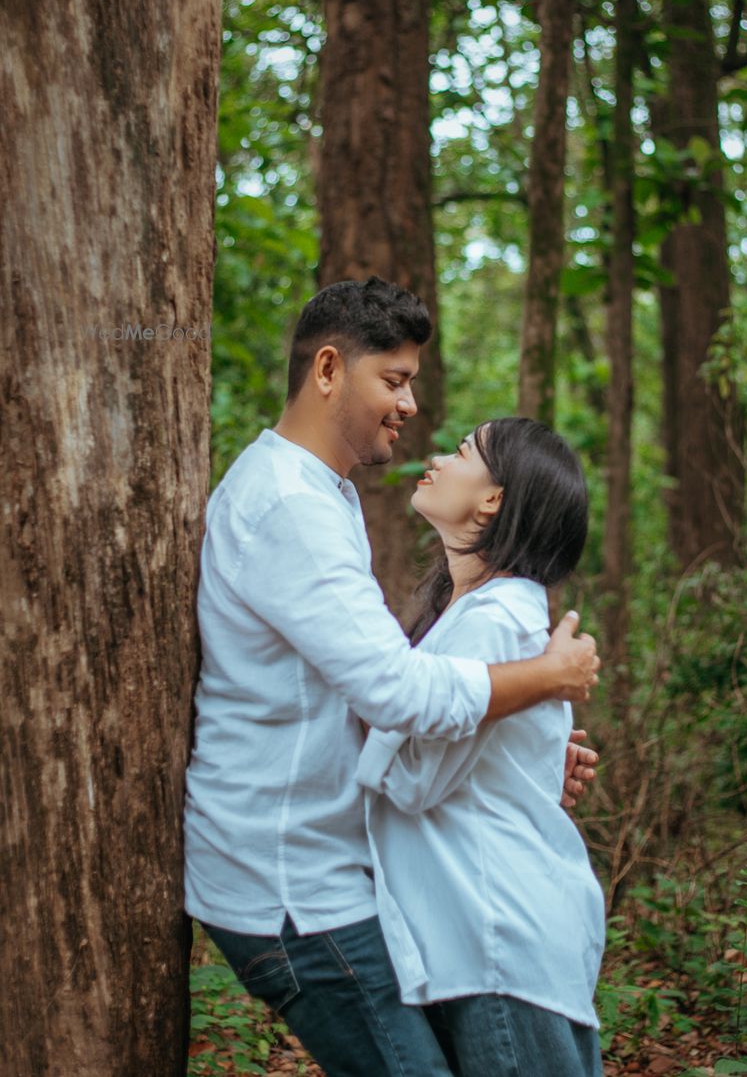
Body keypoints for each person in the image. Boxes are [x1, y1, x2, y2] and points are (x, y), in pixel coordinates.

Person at [184, 278, 600, 1077]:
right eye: (396, 380)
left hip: (332, 873)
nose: (410, 405)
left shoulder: (320, 495)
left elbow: (371, 697)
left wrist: (514, 745)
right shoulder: (288, 507)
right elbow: (397, 692)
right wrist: (542, 680)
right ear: (330, 369)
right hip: (292, 885)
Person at [357, 417, 606, 1077]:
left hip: (499, 943)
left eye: (462, 451)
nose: (436, 457)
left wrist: (359, 712)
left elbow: (413, 781)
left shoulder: (494, 621)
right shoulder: (476, 616)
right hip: (485, 943)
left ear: (492, 499)